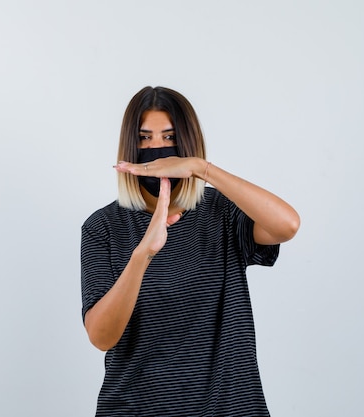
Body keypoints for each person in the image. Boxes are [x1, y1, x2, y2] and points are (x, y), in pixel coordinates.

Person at [80, 86, 300, 417]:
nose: (156, 149)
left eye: (169, 137)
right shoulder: (103, 227)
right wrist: (143, 255)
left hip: (229, 408)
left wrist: (204, 169)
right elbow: (101, 337)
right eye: (144, 138)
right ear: (129, 146)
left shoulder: (221, 212)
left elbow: (287, 225)